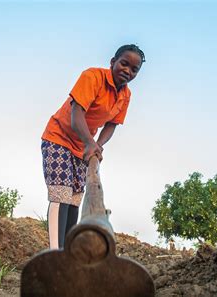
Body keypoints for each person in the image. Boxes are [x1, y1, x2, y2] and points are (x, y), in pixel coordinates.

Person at [41, 44, 145, 249]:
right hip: (58, 138)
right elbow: (76, 113)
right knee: (60, 194)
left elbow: (112, 124)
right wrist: (90, 143)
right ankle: (55, 252)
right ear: (112, 62)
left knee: (74, 199)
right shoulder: (92, 77)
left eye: (134, 69)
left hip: (83, 148)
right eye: (124, 64)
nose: (128, 71)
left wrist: (97, 146)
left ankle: (68, 252)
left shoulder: (125, 95)